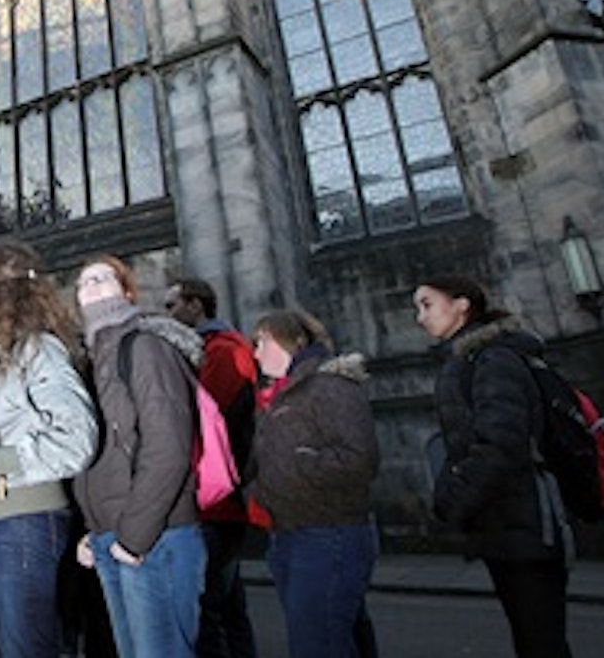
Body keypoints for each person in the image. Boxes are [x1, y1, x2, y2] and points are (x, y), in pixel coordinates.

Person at [416, 276, 575, 658]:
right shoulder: (471, 359)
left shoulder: (493, 359)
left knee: (540, 642)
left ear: (461, 305)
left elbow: (501, 445)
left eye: (427, 304)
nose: (420, 317)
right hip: (506, 525)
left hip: (526, 524)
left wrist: (452, 498)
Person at [0, 238, 99, 658]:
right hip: (6, 518)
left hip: (24, 521)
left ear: (3, 295)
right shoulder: (5, 354)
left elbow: (76, 438)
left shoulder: (39, 349)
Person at [73, 256, 206, 658]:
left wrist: (133, 537)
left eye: (103, 278)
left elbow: (168, 448)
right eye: (83, 282)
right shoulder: (93, 360)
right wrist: (94, 528)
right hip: (113, 536)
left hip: (154, 537)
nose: (91, 286)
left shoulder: (145, 347)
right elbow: (105, 454)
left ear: (127, 291)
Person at [249, 310, 379, 658]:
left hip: (328, 533)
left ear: (290, 341)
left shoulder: (329, 385)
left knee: (317, 643)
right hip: (289, 532)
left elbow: (359, 458)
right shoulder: (281, 394)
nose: (256, 354)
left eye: (262, 343)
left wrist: (302, 464)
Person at [166, 277, 260, 658]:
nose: (168, 313)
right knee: (225, 603)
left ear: (196, 304)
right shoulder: (211, 348)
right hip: (213, 498)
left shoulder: (224, 350)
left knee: (209, 608)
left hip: (217, 495)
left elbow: (205, 415)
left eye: (173, 304)